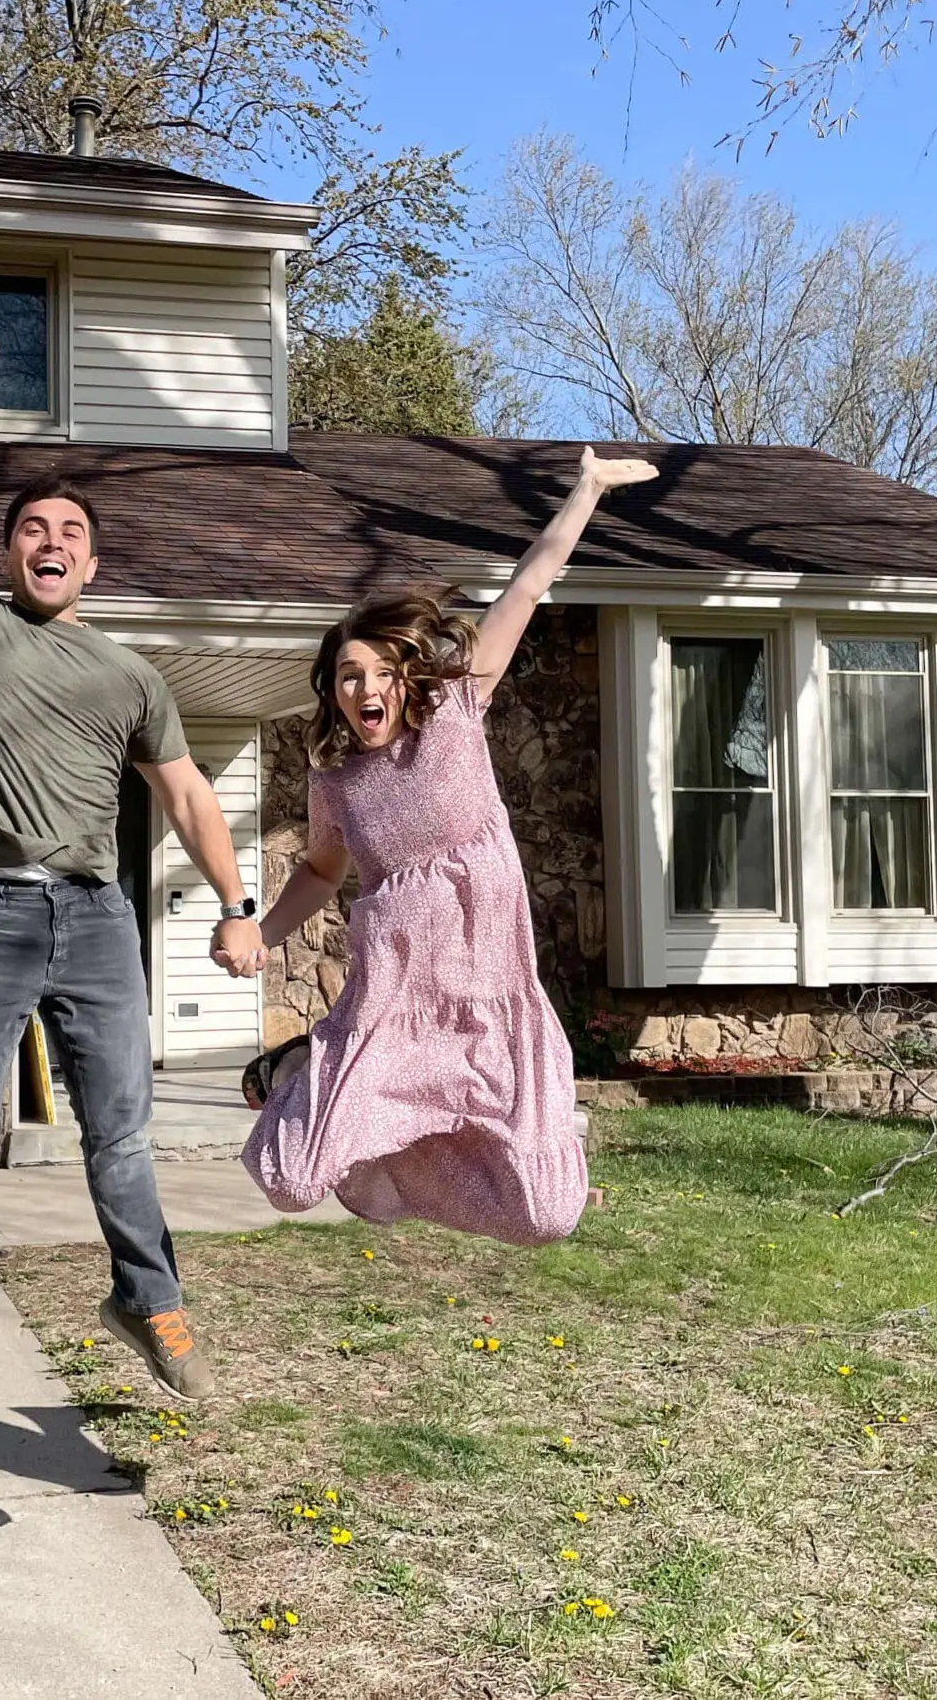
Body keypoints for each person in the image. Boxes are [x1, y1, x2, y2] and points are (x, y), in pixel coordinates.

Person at [0, 323, 266, 1450]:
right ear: (6, 557)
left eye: (71, 533)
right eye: (33, 529)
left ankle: (148, 1300)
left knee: (119, 1135)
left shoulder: (130, 673)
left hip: (92, 918)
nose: (52, 541)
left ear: (93, 564)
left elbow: (186, 795)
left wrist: (237, 910)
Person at [237, 446, 658, 1246]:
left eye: (379, 672)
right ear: (332, 690)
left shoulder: (459, 717)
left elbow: (529, 583)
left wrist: (587, 491)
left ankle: (496, 1158)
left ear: (409, 675)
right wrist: (262, 932)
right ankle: (294, 1069)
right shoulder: (339, 784)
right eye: (347, 676)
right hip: (393, 1008)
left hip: (493, 1002)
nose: (364, 689)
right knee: (293, 1179)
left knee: (548, 1214)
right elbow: (324, 869)